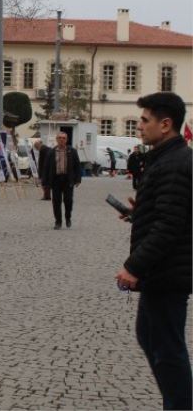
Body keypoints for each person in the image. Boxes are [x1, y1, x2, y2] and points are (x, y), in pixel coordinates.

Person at [115, 92, 191, 410]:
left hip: (168, 273)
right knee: (150, 337)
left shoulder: (175, 164)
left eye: (145, 120)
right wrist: (139, 211)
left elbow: (169, 226)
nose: (139, 126)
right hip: (161, 272)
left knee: (166, 350)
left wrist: (133, 266)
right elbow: (170, 212)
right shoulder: (164, 159)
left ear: (166, 124)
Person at [43, 132, 82, 229]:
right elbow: (46, 167)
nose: (61, 140)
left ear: (66, 140)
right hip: (56, 180)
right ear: (56, 139)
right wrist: (45, 182)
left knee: (68, 200)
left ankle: (68, 217)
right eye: (59, 138)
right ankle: (58, 221)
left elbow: (77, 166)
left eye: (63, 138)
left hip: (68, 179)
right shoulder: (51, 152)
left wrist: (78, 179)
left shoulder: (72, 151)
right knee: (56, 201)